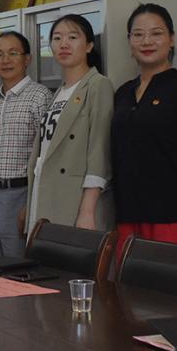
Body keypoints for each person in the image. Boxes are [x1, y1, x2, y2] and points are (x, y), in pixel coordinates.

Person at [111, 4, 177, 263]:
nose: (146, 41)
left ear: (172, 39)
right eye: (138, 34)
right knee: (129, 287)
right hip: (129, 216)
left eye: (156, 33)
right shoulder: (122, 93)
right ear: (129, 42)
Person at [27, 14, 114, 232]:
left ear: (89, 46)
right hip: (45, 191)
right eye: (57, 38)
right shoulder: (59, 91)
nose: (64, 44)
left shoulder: (98, 85)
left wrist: (88, 211)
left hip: (75, 199)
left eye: (73, 37)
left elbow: (99, 151)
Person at [0, 31, 52, 257]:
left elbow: (46, 155)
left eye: (13, 53)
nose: (6, 60)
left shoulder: (40, 96)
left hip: (21, 193)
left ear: (27, 59)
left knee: (18, 265)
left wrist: (30, 204)